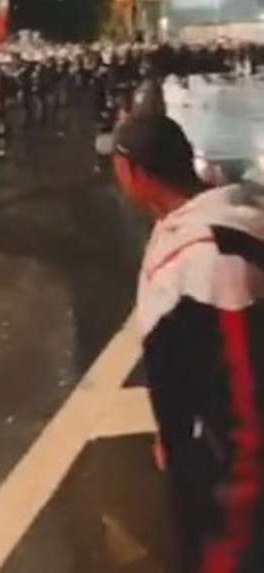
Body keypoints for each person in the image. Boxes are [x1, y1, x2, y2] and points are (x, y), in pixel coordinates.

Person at [113, 113, 264, 572]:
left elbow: (243, 398)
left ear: (137, 172)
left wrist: (233, 503)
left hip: (227, 473)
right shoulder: (206, 217)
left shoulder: (208, 260)